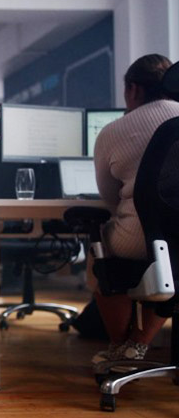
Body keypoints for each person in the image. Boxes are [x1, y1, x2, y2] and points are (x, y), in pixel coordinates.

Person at [91, 54, 179, 364]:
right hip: (178, 244)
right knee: (172, 259)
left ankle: (121, 345)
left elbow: (110, 198)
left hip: (139, 239)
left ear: (133, 89)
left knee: (99, 250)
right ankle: (140, 342)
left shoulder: (113, 131)